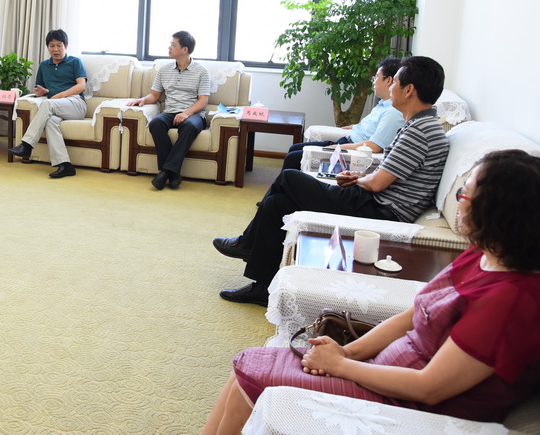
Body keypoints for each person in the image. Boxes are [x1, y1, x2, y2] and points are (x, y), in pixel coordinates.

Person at [201, 149, 540, 434]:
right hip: (389, 370)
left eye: (464, 194)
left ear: (497, 211)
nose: (459, 203)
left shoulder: (510, 301)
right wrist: (347, 353)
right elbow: (411, 316)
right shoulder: (482, 255)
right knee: (248, 363)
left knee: (252, 373)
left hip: (414, 401)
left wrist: (341, 366)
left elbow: (431, 388)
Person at [213, 56, 449, 305]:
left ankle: (247, 243)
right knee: (277, 204)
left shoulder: (419, 132)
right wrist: (361, 177)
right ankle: (262, 286)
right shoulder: (420, 125)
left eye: (396, 83)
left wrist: (361, 181)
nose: (391, 89)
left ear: (409, 90)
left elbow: (378, 184)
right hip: (374, 200)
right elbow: (386, 175)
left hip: (379, 209)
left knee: (289, 177)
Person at [282, 57, 404, 170]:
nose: (373, 82)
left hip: (352, 149)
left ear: (388, 80)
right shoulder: (383, 104)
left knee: (292, 158)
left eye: (376, 77)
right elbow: (373, 126)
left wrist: (339, 147)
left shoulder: (393, 113)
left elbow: (374, 146)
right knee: (294, 148)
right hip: (347, 141)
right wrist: (356, 126)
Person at [126, 30, 211, 190]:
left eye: (173, 45)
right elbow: (155, 95)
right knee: (155, 124)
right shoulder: (164, 70)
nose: (169, 47)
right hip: (170, 112)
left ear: (184, 49)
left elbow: (203, 100)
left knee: (190, 126)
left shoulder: (202, 71)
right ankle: (173, 174)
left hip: (193, 114)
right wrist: (142, 100)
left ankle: (165, 172)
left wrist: (186, 113)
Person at [8, 29, 87, 179]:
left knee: (48, 104)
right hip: (56, 107)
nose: (55, 49)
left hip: (76, 104)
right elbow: (40, 88)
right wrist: (41, 92)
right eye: (52, 46)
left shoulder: (75, 62)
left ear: (66, 46)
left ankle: (27, 145)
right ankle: (65, 165)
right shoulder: (44, 65)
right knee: (51, 121)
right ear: (47, 47)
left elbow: (81, 86)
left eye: (59, 45)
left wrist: (59, 95)